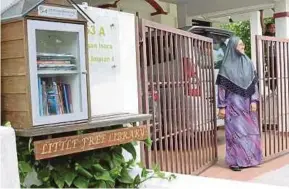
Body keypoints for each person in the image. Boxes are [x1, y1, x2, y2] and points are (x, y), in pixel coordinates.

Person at [216, 36, 263, 171]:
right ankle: (235, 162)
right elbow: (221, 89)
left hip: (248, 106)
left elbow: (254, 84)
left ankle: (250, 159)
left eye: (243, 44)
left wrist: (254, 100)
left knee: (250, 132)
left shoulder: (249, 63)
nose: (243, 47)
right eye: (240, 44)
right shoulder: (226, 66)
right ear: (232, 47)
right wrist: (222, 107)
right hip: (233, 108)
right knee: (235, 134)